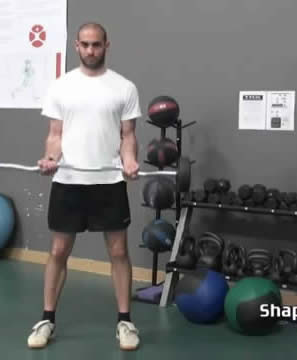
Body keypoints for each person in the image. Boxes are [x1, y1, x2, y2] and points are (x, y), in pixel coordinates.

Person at [27, 23, 142, 351]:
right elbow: (55, 134)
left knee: (118, 252)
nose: (91, 50)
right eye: (85, 45)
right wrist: (50, 157)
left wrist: (130, 161)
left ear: (107, 44)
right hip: (69, 181)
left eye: (97, 45)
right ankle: (47, 318)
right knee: (58, 251)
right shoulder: (61, 87)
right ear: (76, 46)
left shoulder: (124, 88)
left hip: (109, 181)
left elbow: (128, 136)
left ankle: (125, 321)